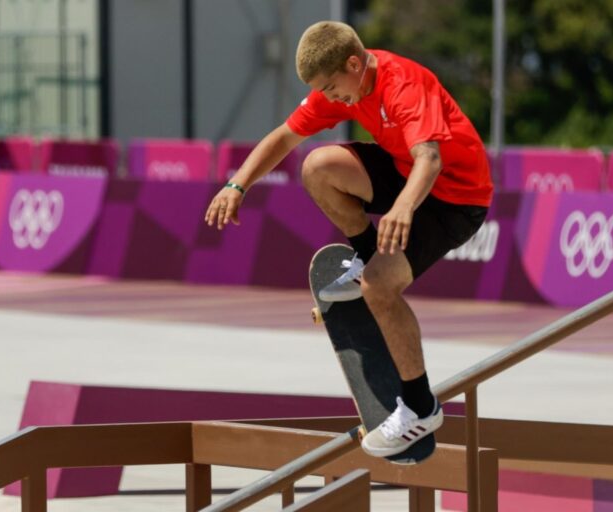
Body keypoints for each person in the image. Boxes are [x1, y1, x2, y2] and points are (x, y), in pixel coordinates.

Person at [204, 21, 492, 458]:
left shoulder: (403, 85)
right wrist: (236, 185)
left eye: (331, 87)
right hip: (402, 172)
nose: (330, 97)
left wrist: (402, 209)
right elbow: (285, 137)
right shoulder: (345, 82)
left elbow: (429, 159)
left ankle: (420, 407)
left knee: (381, 286)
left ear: (354, 64)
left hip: (455, 199)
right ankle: (363, 256)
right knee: (317, 167)